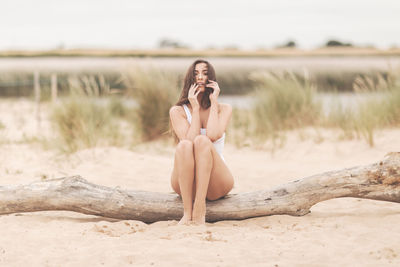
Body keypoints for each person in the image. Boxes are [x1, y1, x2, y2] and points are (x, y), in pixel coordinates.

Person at [169, 59, 234, 225]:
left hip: (215, 181)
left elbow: (212, 134)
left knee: (203, 141)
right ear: (189, 80)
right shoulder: (177, 111)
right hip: (186, 182)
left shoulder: (223, 108)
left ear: (212, 78)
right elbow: (189, 141)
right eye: (196, 74)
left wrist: (213, 102)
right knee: (184, 145)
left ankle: (199, 207)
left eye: (205, 73)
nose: (200, 77)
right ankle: (187, 212)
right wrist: (195, 108)